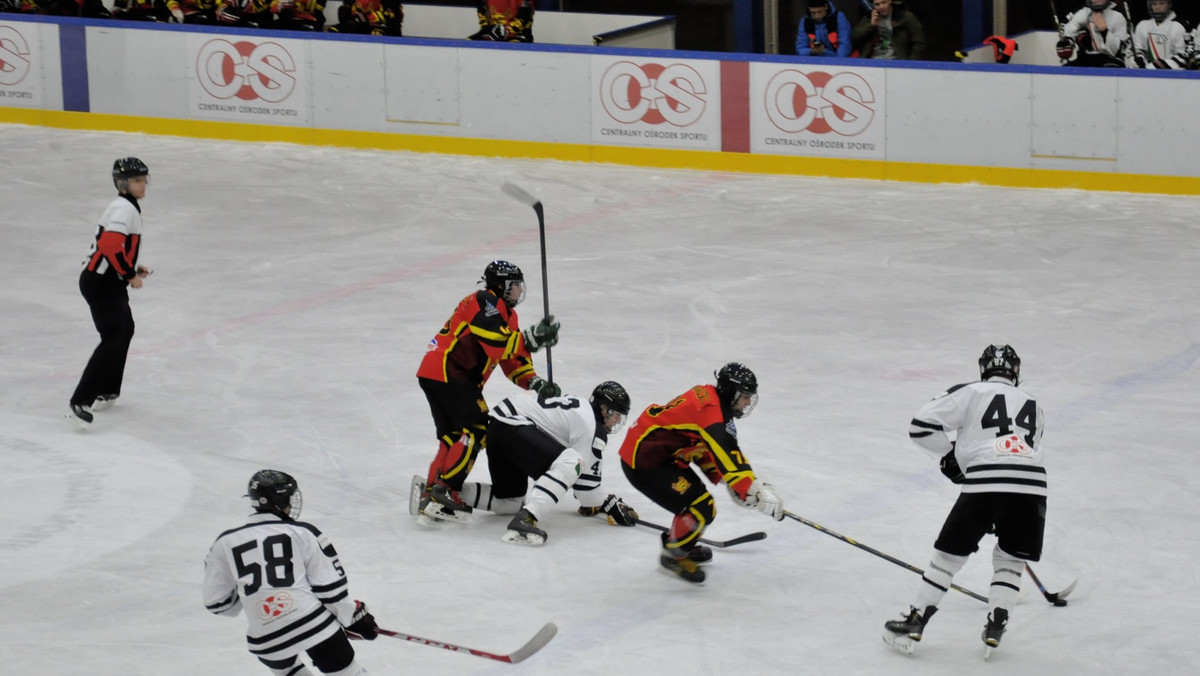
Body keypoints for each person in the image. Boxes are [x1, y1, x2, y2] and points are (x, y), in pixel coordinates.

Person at [883, 345, 1047, 657]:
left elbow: (920, 426)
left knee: (947, 559)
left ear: (984, 369)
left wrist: (951, 458)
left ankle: (916, 621)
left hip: (986, 480)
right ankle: (997, 623)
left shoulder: (971, 391)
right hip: (1033, 486)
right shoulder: (1034, 405)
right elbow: (1023, 446)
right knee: (1011, 560)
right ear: (1016, 372)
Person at [416, 260, 561, 523]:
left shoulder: (509, 315)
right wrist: (531, 338)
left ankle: (431, 492)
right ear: (500, 285)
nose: (519, 290)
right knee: (478, 428)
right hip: (450, 371)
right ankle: (444, 491)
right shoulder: (482, 300)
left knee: (453, 436)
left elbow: (511, 358)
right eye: (514, 285)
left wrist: (534, 382)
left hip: (439, 373)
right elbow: (494, 339)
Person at [618, 363, 785, 584]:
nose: (747, 402)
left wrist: (730, 481)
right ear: (730, 391)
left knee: (701, 504)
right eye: (744, 396)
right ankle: (674, 554)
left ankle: (680, 542)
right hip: (644, 462)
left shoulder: (709, 398)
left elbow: (702, 446)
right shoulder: (712, 414)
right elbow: (726, 451)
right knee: (701, 507)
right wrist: (750, 486)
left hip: (658, 454)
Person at [204, 470, 380, 676]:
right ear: (280, 501)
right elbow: (330, 589)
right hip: (313, 624)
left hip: (266, 639)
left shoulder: (224, 542)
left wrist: (259, 597)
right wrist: (354, 616)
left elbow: (218, 603)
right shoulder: (302, 532)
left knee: (285, 668)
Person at [439, 381, 639, 544]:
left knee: (510, 500)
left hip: (499, 426)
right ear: (603, 409)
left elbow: (583, 488)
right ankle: (527, 519)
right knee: (572, 462)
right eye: (615, 414)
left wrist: (595, 502)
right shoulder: (593, 427)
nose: (616, 421)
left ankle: (447, 494)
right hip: (515, 425)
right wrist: (610, 504)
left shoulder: (579, 407)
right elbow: (586, 488)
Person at [67, 158, 153, 429]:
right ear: (122, 184)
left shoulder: (126, 207)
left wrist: (132, 266)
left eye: (143, 180)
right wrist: (129, 275)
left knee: (122, 332)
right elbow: (109, 244)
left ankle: (107, 389)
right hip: (100, 282)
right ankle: (80, 401)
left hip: (105, 280)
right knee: (115, 336)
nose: (143, 185)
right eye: (137, 181)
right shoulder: (123, 208)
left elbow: (116, 246)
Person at [1056, 1, 1129, 67]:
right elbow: (1069, 31)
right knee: (1067, 68)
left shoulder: (1117, 15)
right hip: (1086, 58)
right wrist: (1066, 43)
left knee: (1109, 68)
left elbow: (1114, 51)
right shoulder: (1083, 12)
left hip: (1111, 59)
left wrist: (1104, 31)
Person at [851, 0, 927, 60]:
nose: (881, 6)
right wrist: (871, 25)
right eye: (877, 4)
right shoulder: (870, 17)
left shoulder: (904, 16)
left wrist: (911, 63)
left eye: (883, 2)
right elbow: (855, 36)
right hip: (873, 62)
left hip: (897, 61)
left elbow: (919, 42)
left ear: (890, 1)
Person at [1132, 1, 1191, 68]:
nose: (1157, 7)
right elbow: (1138, 48)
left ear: (1169, 5)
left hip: (1173, 74)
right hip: (1146, 73)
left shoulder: (1179, 26)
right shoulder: (1142, 25)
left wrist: (1160, 65)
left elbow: (1184, 54)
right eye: (1154, 4)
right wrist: (1139, 59)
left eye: (1161, 4)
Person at [468, 0, 534, 43]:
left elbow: (524, 16)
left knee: (513, 47)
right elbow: (482, 13)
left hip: (518, 35)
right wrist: (487, 29)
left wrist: (506, 30)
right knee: (468, 43)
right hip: (493, 32)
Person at [328, 0, 403, 36]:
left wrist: (368, 17)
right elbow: (349, 18)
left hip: (381, 27)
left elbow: (392, 20)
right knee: (334, 30)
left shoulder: (391, 2)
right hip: (360, 26)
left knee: (377, 34)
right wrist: (345, 13)